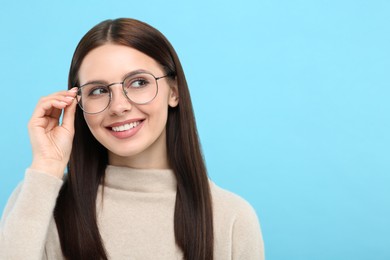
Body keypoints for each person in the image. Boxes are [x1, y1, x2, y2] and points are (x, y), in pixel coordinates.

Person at [0, 18, 264, 260]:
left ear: (174, 92)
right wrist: (47, 165)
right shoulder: (38, 202)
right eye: (99, 90)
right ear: (77, 104)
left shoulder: (232, 218)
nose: (118, 106)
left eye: (138, 82)